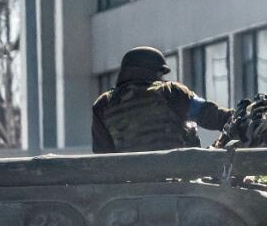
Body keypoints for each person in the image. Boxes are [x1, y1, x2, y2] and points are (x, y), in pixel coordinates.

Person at [92, 46, 231, 153]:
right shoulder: (170, 91)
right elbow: (209, 115)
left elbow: (103, 154)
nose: (162, 78)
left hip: (127, 182)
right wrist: (237, 117)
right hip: (178, 178)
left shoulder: (103, 103)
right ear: (151, 71)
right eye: (160, 74)